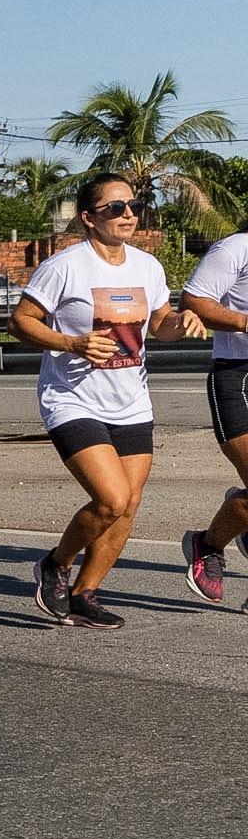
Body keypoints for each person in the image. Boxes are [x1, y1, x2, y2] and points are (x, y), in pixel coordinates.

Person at [11, 172, 206, 628]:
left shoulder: (147, 266)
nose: (128, 215)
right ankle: (55, 564)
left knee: (129, 505)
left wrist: (184, 322)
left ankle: (85, 594)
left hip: (131, 401)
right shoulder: (65, 266)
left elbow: (160, 325)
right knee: (111, 497)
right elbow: (21, 322)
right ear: (88, 218)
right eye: (115, 208)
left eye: (132, 206)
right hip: (72, 399)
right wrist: (72, 343)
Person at [181, 228, 248, 606]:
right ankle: (207, 545)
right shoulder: (238, 247)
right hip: (238, 376)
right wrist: (244, 322)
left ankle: (241, 515)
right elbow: (194, 301)